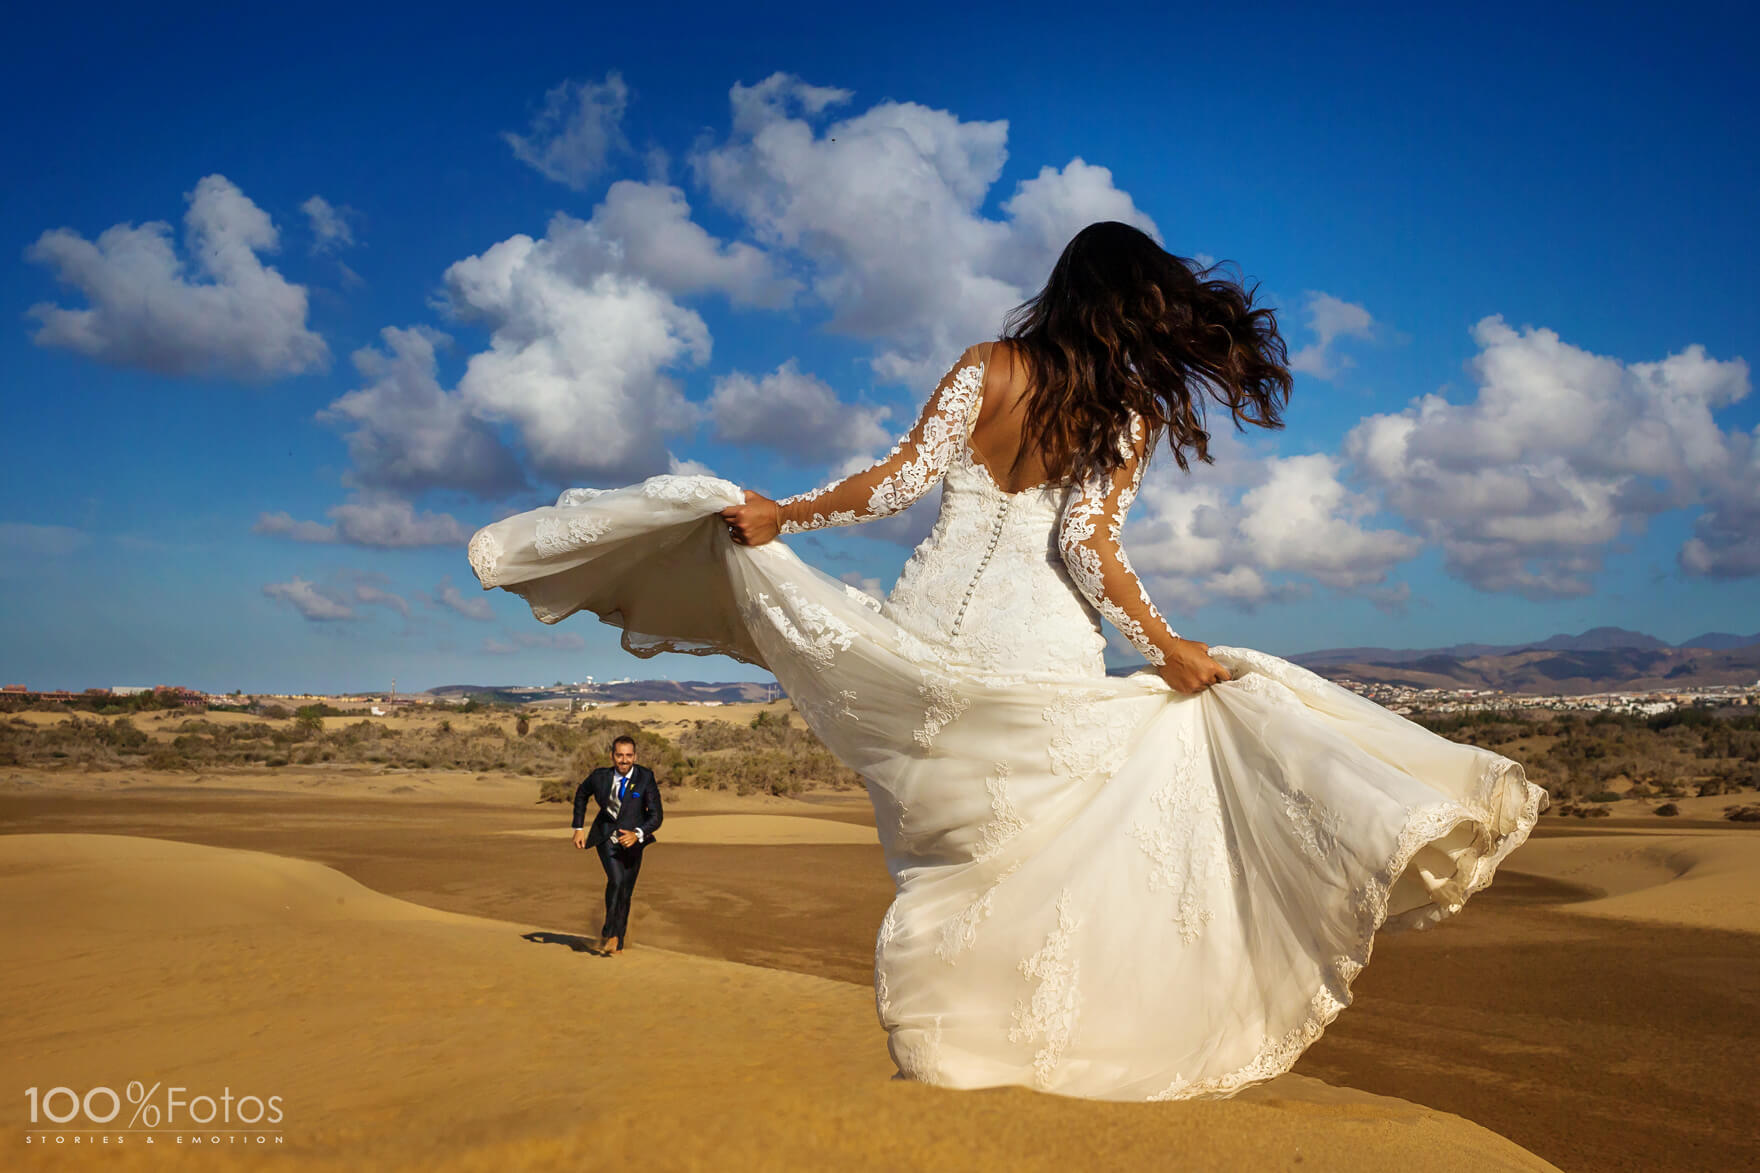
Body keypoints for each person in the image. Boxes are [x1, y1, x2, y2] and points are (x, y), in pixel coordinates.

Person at [468, 221, 1545, 1099]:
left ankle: (961, 1041)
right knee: (1046, 847)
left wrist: (782, 515)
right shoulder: (1116, 412)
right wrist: (1165, 649)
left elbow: (893, 484)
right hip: (1045, 653)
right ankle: (1023, 1037)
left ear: (1059, 289)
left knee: (949, 848)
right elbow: (1085, 551)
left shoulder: (988, 368)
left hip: (934, 634)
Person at [571, 734, 663, 956]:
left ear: (635, 756)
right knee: (616, 880)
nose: (624, 760)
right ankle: (609, 931)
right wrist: (578, 828)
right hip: (606, 837)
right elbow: (581, 794)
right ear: (612, 756)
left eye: (629, 756)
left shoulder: (645, 777)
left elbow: (657, 815)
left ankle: (617, 942)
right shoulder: (600, 777)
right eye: (620, 755)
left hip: (634, 843)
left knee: (626, 892)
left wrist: (637, 834)